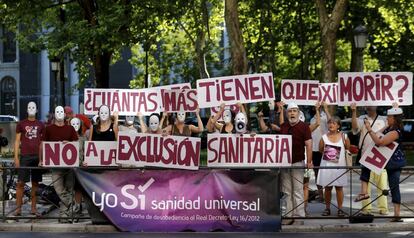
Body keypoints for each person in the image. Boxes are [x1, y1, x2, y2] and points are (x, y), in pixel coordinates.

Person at [355, 104, 406, 222]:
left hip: (394, 163)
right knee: (365, 165)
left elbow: (379, 141)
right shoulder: (389, 128)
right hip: (386, 160)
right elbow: (377, 134)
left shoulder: (395, 132)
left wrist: (368, 128)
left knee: (394, 187)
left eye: (389, 117)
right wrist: (384, 127)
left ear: (394, 118)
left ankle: (397, 215)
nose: (386, 119)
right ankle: (364, 192)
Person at [42, 106, 78, 223]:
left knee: (68, 189)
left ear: (64, 114)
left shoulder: (70, 129)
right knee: (59, 189)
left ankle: (64, 216)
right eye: (57, 111)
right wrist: (42, 159)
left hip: (69, 165)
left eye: (61, 111)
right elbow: (43, 144)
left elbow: (77, 143)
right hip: (55, 166)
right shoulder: (48, 129)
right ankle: (73, 205)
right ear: (54, 114)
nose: (59, 113)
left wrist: (70, 143)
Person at [351, 103, 389, 215]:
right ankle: (366, 208)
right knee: (366, 183)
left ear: (377, 106)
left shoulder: (383, 119)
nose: (369, 106)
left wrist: (394, 107)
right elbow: (354, 129)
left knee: (382, 184)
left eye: (372, 104)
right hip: (365, 155)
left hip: (381, 155)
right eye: (367, 104)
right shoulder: (362, 118)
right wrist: (353, 112)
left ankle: (383, 208)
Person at [279, 102, 312, 225]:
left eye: (294, 111)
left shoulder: (304, 127)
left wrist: (309, 161)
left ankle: (299, 217)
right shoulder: (284, 126)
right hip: (285, 164)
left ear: (298, 113)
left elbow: (309, 144)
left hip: (298, 162)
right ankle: (288, 216)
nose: (292, 113)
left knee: (297, 191)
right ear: (287, 113)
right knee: (287, 191)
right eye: (290, 111)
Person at [13, 102, 45, 216]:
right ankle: (18, 209)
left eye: (33, 107)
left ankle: (33, 208)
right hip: (25, 156)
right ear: (27, 110)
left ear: (36, 110)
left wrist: (42, 158)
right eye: (29, 107)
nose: (31, 109)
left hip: (37, 156)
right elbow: (17, 141)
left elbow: (43, 143)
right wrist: (16, 157)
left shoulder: (41, 124)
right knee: (20, 183)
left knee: (35, 183)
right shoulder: (21, 124)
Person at [317, 116, 350, 217]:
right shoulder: (323, 137)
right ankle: (327, 208)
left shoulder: (344, 136)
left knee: (339, 188)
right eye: (329, 123)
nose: (331, 125)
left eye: (334, 123)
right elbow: (320, 150)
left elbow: (348, 148)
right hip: (327, 165)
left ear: (338, 125)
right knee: (327, 188)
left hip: (339, 166)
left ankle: (340, 209)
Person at [310, 102, 331, 202]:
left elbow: (332, 121)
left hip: (326, 148)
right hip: (315, 149)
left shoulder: (325, 116)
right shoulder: (312, 119)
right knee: (317, 172)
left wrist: (326, 108)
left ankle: (327, 196)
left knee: (327, 173)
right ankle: (320, 195)